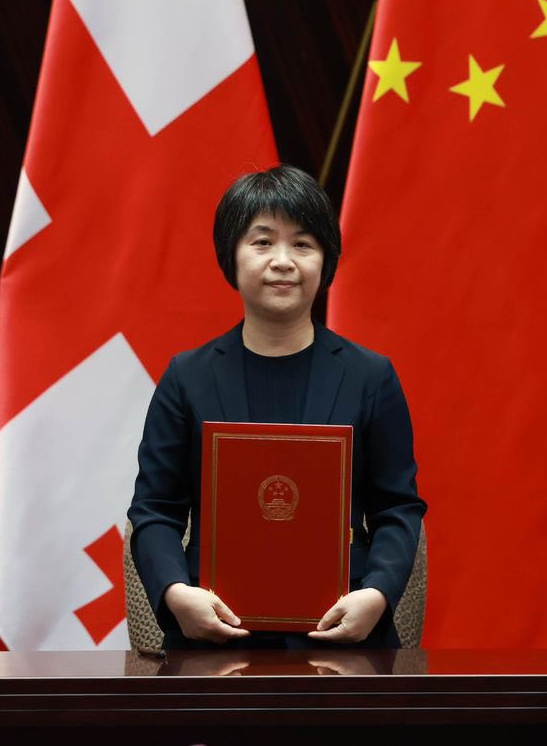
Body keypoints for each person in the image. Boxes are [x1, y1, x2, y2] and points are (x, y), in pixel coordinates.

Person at [127, 165, 424, 650]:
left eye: (303, 244)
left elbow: (397, 507)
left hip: (340, 633)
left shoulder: (371, 376)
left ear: (326, 261)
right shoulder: (187, 377)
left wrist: (376, 594)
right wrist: (177, 594)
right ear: (231, 255)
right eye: (263, 242)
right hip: (216, 635)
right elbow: (155, 509)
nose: (283, 261)